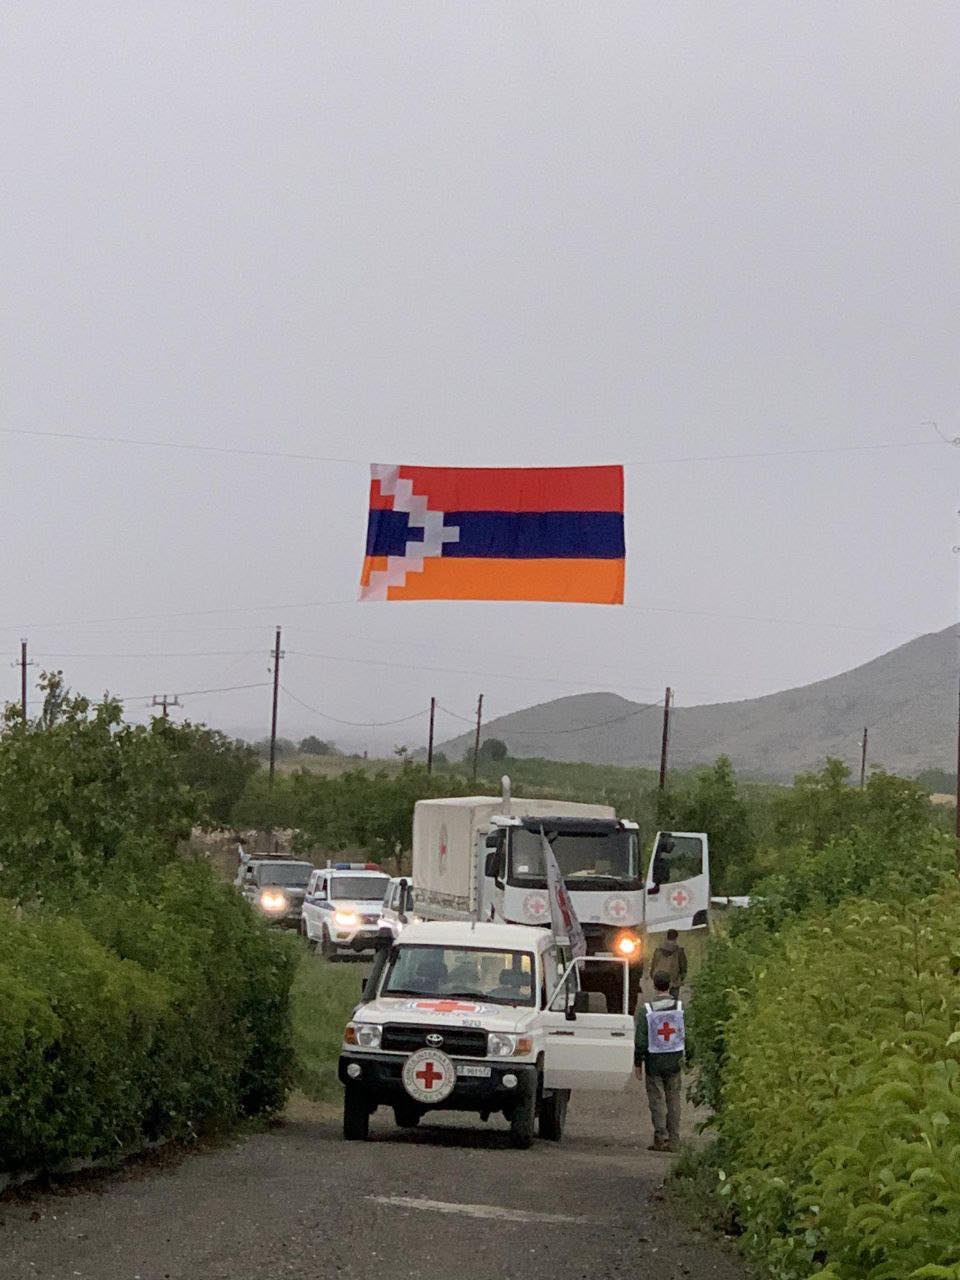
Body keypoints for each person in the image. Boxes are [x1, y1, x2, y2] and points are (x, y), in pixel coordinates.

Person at [636, 970, 684, 1152]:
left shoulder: (646, 1010)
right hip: (675, 1060)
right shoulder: (680, 1008)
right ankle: (674, 1139)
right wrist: (691, 1056)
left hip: (654, 1062)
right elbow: (688, 1034)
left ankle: (661, 1138)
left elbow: (640, 1040)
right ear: (670, 984)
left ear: (654, 985)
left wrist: (637, 1062)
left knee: (657, 1100)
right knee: (674, 1099)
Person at [650, 928, 688, 1001]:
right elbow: (683, 967)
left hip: (660, 981)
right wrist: (681, 978)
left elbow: (653, 965)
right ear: (676, 938)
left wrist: (654, 977)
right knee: (673, 1003)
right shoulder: (679, 951)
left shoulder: (658, 950)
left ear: (667, 937)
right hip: (674, 981)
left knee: (659, 1003)